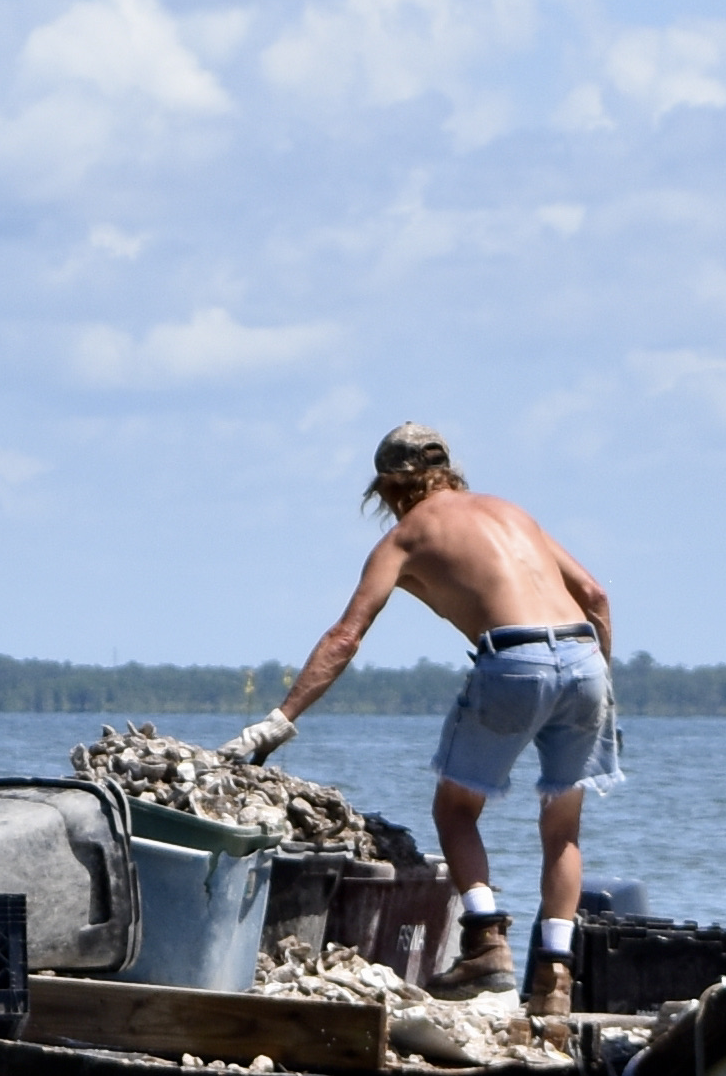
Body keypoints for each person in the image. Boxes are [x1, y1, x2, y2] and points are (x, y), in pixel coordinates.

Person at [239, 425, 617, 1015]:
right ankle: (555, 978)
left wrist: (280, 720)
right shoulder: (510, 511)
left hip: (515, 660)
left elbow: (346, 637)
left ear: (390, 488)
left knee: (455, 810)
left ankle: (486, 944)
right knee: (563, 827)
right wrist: (601, 691)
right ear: (449, 471)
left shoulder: (406, 536)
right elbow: (594, 596)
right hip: (585, 656)